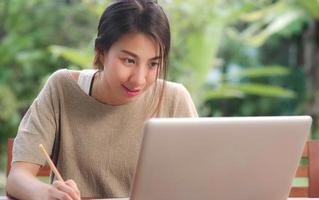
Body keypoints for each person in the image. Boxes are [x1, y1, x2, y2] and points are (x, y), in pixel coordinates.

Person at [6, 0, 198, 199]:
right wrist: (47, 193)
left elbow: (201, 178)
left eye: (153, 64)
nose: (139, 79)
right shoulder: (62, 88)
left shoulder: (175, 99)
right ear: (101, 52)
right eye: (129, 60)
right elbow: (17, 178)